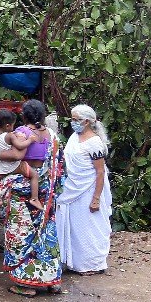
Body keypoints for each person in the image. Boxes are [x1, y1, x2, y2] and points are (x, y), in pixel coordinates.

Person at [0, 108, 64, 296]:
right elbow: (59, 166)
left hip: (21, 193)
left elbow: (15, 157)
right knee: (45, 234)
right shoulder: (52, 136)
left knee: (21, 234)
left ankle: (26, 284)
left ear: (24, 117)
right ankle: (51, 281)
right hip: (46, 194)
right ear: (42, 116)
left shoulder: (22, 133)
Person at [56, 104, 111, 275]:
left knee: (90, 227)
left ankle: (92, 263)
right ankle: (76, 262)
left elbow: (100, 172)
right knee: (75, 228)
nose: (73, 122)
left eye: (76, 120)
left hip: (89, 190)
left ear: (86, 121)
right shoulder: (74, 137)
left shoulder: (94, 143)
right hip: (72, 189)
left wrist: (96, 198)